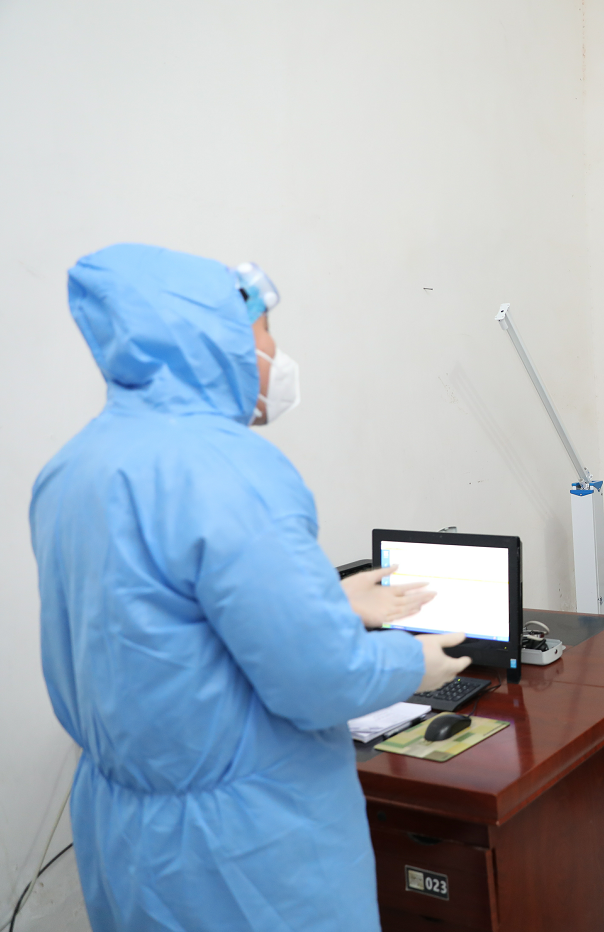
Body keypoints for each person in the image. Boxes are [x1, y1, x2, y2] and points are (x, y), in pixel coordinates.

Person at [31, 244, 472, 932]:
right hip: (243, 844)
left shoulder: (75, 466)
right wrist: (411, 662)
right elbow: (321, 679)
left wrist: (330, 602)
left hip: (125, 832)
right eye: (265, 333)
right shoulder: (230, 470)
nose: (274, 353)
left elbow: (151, 622)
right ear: (213, 339)